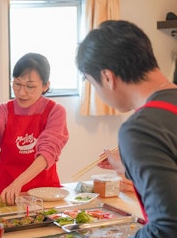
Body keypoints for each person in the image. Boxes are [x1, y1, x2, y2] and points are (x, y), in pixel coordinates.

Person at [76, 20, 177, 237]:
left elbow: (167, 228)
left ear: (107, 77)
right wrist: (128, 167)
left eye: (93, 85)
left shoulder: (140, 129)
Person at [0, 53, 69, 208]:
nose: (21, 92)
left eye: (30, 86)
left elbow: (48, 152)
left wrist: (17, 183)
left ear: (46, 85)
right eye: (17, 84)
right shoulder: (4, 111)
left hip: (45, 195)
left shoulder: (55, 111)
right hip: (7, 196)